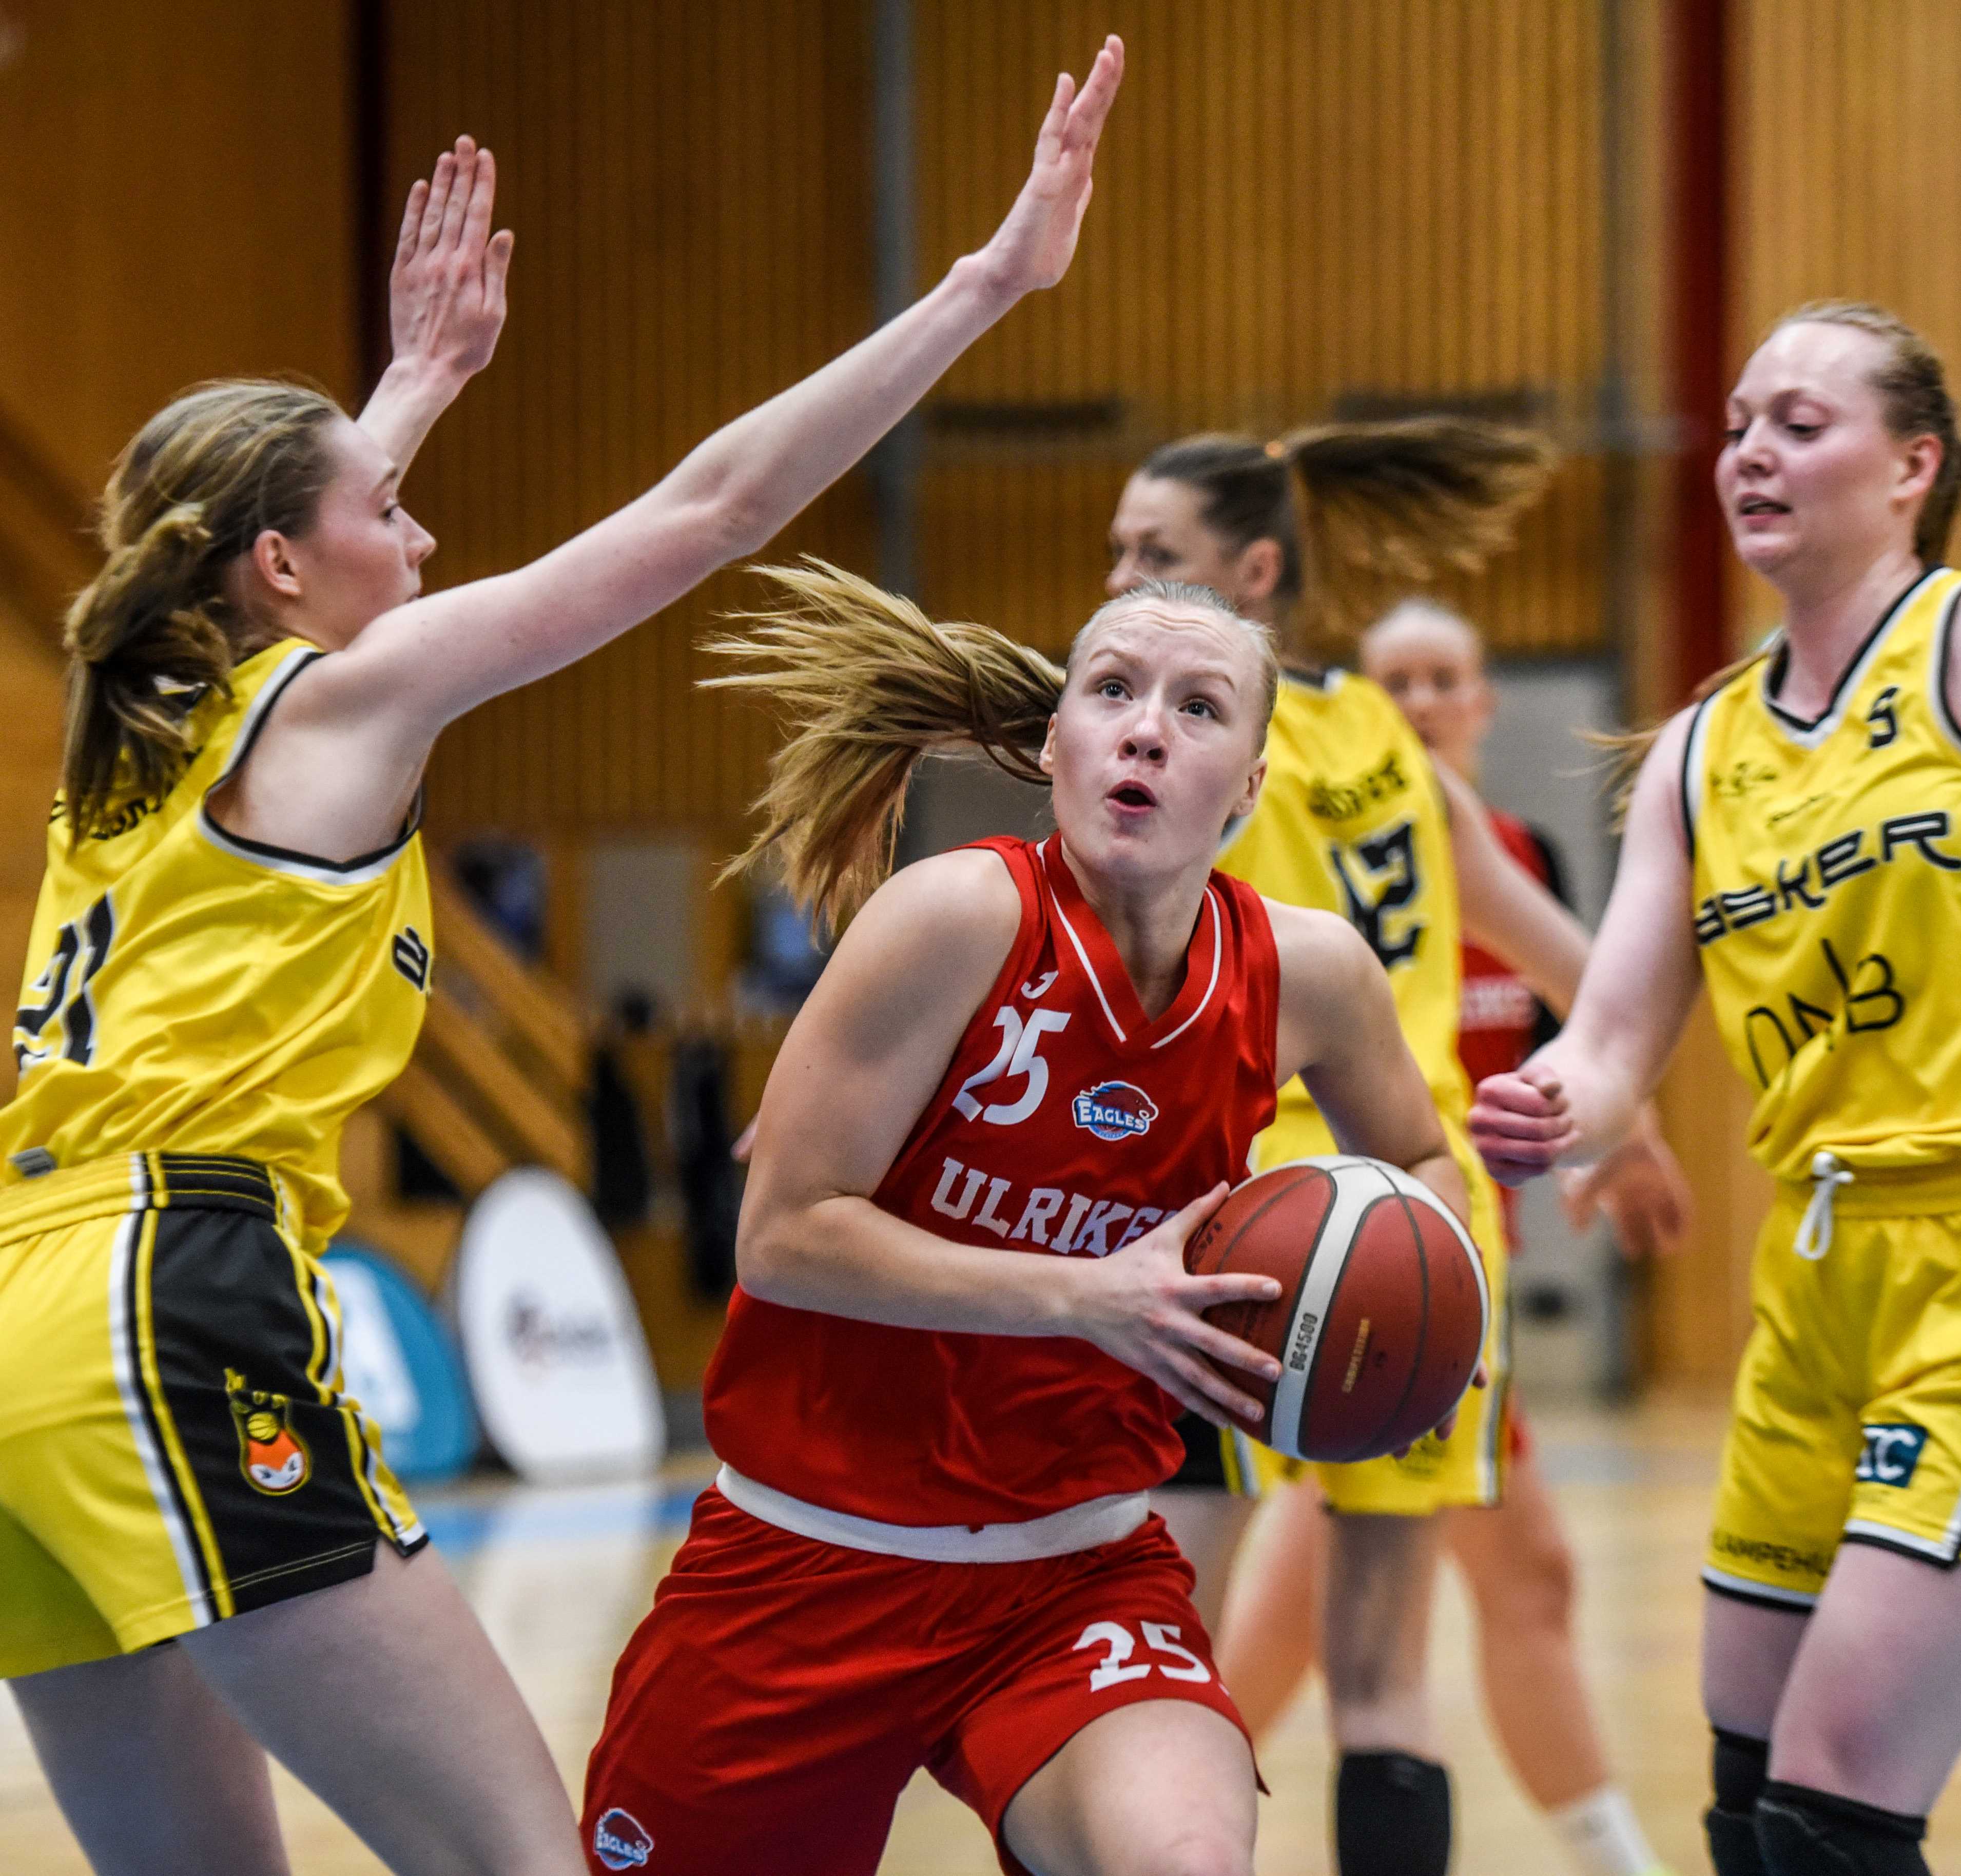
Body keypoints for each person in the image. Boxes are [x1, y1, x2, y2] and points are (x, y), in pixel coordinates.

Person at [0, 41, 1121, 1874]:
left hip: (22, 1319)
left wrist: (417, 386)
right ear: (282, 566)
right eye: (389, 513)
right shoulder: (341, 699)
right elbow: (713, 510)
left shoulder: (130, 748)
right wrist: (982, 283)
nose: (424, 529)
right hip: (170, 1285)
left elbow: (288, 531)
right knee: (528, 1853)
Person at [581, 570, 1483, 1876]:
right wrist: (1085, 1293)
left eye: (1197, 706)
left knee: (1184, 1860)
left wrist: (1401, 1329)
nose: (1144, 727)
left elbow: (1413, 1163)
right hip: (809, 1558)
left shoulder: (1312, 974)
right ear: (1056, 743)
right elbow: (781, 1234)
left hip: (1078, 1575)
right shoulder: (955, 917)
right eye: (1110, 689)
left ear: (1248, 783)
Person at [1470, 300, 1961, 1876]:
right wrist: (1552, 1103)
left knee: (1830, 1810)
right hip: (1819, 1271)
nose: (1750, 452)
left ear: (1912, 462)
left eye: (1798, 421)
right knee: (1746, 1815)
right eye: (1733, 424)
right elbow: (1616, 1027)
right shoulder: (1699, 749)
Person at [1104, 428, 1690, 1875]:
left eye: (1150, 553)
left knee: (1163, 1655)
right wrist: (1624, 1111)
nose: (1116, 577)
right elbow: (1557, 945)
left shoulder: (1183, 725)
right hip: (1425, 1231)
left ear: (1251, 573)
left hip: (1240, 1225)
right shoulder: (1384, 738)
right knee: (1382, 1680)